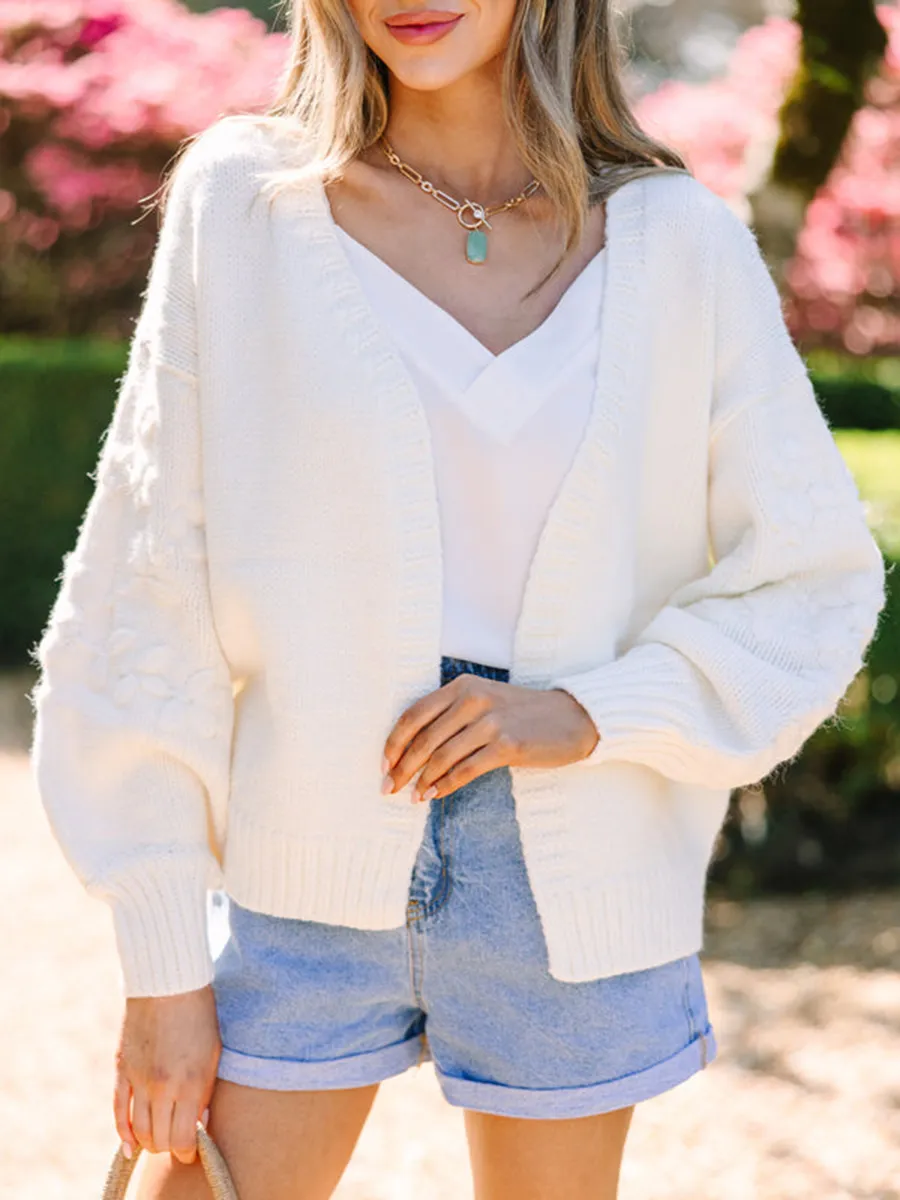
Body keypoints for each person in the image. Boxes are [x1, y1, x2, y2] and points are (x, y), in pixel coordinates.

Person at [29, 0, 887, 1193]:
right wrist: (162, 959)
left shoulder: (678, 243)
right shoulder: (249, 202)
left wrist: (591, 711)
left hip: (581, 878)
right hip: (303, 859)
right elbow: (143, 583)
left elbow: (813, 578)